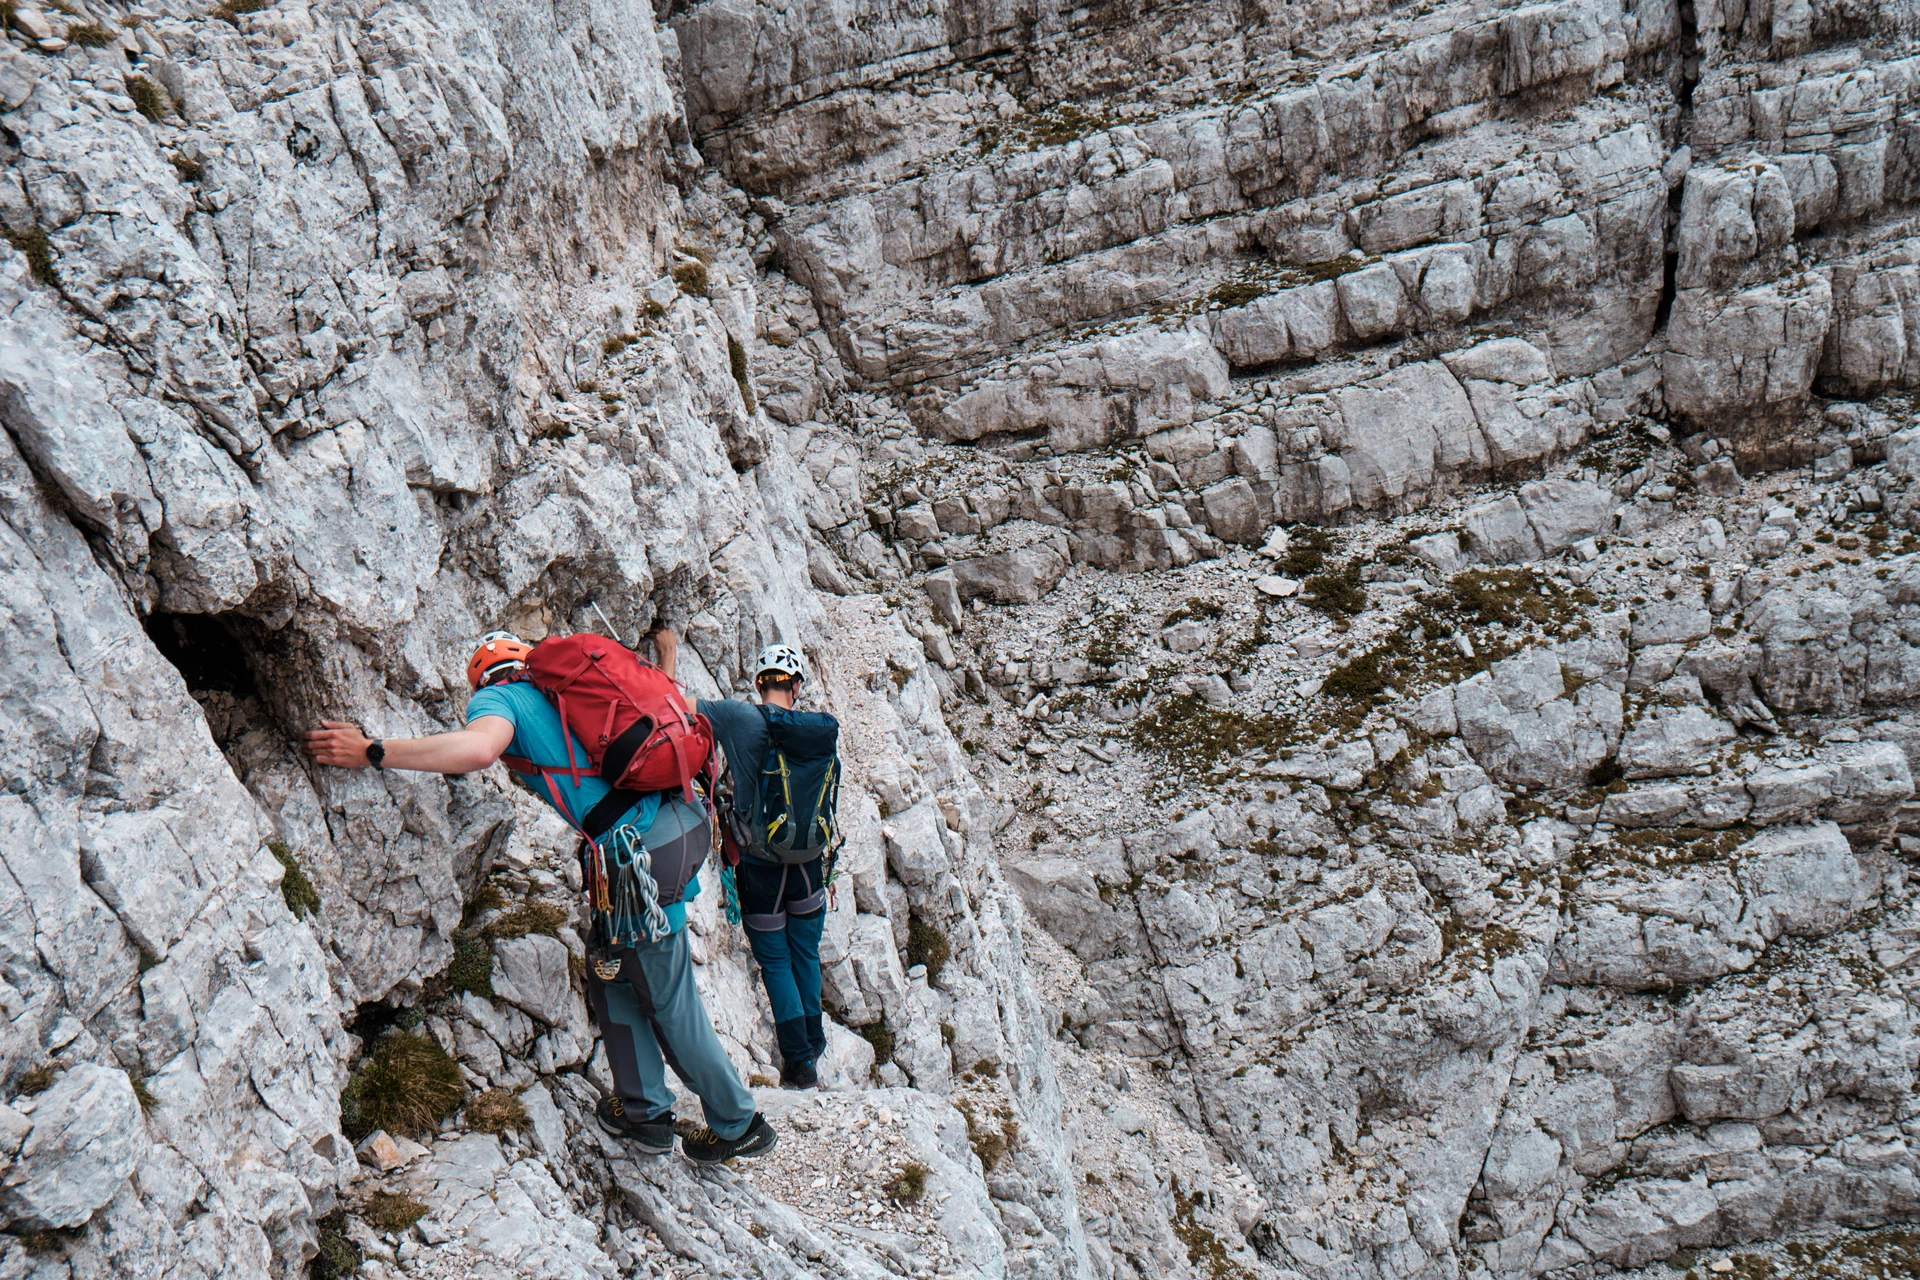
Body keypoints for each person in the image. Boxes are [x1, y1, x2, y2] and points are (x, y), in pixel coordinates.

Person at [302, 631, 777, 1164]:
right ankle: (645, 1111)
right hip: (679, 827)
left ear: (481, 678)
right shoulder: (576, 693)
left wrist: (372, 751)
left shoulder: (501, 697)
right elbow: (667, 699)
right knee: (611, 966)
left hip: (639, 853)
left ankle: (739, 1122)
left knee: (669, 997)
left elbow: (479, 748)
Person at [651, 627, 831, 1089]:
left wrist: (668, 652)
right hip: (809, 863)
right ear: (797, 687)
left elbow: (666, 707)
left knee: (775, 960)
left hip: (759, 864)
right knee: (805, 952)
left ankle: (800, 1062)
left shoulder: (737, 717)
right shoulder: (817, 733)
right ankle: (814, 1042)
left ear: (759, 685)